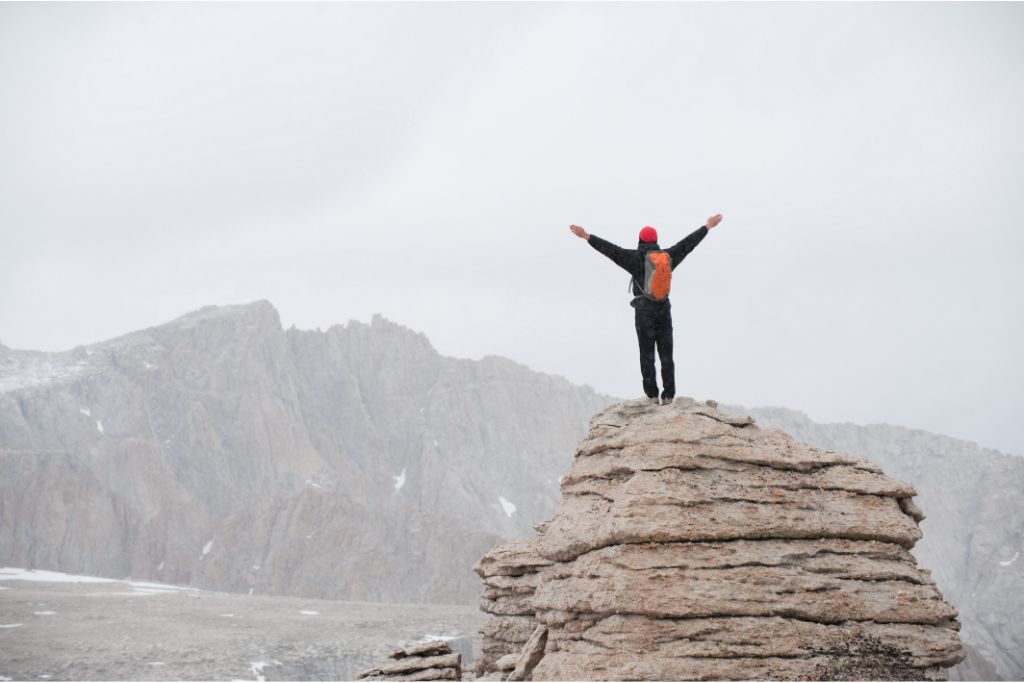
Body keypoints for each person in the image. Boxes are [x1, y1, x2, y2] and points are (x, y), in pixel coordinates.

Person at [569, 214, 723, 404]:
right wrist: (706, 227)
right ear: (656, 242)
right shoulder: (668, 257)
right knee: (666, 354)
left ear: (640, 241)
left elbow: (610, 250)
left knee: (646, 354)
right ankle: (668, 396)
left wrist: (587, 236)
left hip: (644, 312)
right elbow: (687, 244)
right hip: (664, 310)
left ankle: (651, 396)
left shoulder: (633, 258)